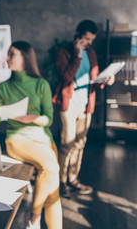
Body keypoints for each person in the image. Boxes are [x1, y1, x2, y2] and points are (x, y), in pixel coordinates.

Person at [0, 41, 62, 229]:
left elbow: (49, 119)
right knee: (51, 168)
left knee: (53, 193)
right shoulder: (3, 88)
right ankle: (34, 216)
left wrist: (35, 118)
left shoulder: (41, 84)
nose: (7, 58)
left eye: (12, 54)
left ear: (25, 58)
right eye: (8, 54)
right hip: (17, 139)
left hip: (43, 138)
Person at [52, 20, 115, 197]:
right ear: (78, 34)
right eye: (87, 38)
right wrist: (78, 56)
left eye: (91, 39)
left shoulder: (92, 53)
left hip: (87, 104)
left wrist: (104, 81)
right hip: (69, 104)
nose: (89, 42)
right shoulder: (63, 52)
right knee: (67, 144)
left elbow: (93, 81)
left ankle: (73, 178)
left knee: (80, 144)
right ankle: (61, 181)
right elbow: (66, 77)